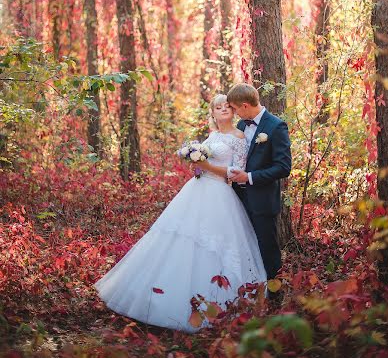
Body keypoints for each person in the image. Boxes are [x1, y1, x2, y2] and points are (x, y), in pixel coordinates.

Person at [94, 94, 266, 332]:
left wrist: (204, 165)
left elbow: (236, 171)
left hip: (220, 196)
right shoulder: (213, 135)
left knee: (212, 246)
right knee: (178, 237)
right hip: (196, 190)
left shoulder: (239, 137)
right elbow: (204, 159)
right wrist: (193, 159)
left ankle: (218, 304)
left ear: (233, 110)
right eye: (218, 107)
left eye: (227, 106)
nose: (223, 109)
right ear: (213, 114)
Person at [223, 83, 292, 282]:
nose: (234, 114)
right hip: (238, 199)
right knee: (244, 247)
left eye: (235, 109)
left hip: (262, 201)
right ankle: (251, 291)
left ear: (245, 106)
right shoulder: (241, 126)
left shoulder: (276, 126)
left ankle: (275, 296)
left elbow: (283, 167)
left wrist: (250, 177)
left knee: (267, 249)